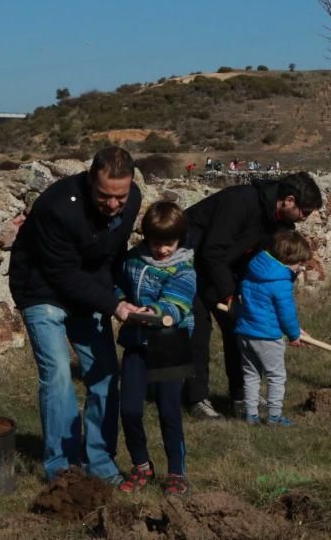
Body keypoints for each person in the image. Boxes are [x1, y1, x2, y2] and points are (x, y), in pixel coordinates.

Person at [9, 146, 142, 483]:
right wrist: (113, 305)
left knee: (104, 373)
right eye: (104, 195)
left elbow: (115, 253)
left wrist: (122, 294)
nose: (113, 205)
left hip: (90, 289)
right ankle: (63, 468)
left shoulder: (132, 201)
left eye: (120, 197)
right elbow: (63, 275)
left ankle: (99, 461)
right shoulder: (57, 207)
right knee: (57, 374)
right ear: (89, 181)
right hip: (41, 288)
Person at [183, 171, 322, 420]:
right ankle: (197, 399)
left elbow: (265, 264)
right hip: (191, 263)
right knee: (198, 331)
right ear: (289, 200)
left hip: (225, 267)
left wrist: (262, 307)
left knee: (240, 326)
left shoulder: (281, 225)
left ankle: (241, 395)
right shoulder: (240, 201)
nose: (305, 218)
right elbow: (212, 251)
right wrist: (228, 295)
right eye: (305, 211)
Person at [114, 202, 196, 497]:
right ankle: (141, 465)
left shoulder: (185, 268)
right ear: (146, 237)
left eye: (169, 243)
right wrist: (121, 301)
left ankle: (177, 470)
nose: (162, 250)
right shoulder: (133, 260)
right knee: (131, 409)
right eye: (156, 242)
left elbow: (177, 304)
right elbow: (117, 285)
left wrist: (155, 310)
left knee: (169, 410)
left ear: (180, 240)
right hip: (136, 341)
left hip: (169, 343)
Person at [235, 230, 311, 426]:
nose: (299, 268)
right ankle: (274, 416)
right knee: (276, 376)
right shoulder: (280, 283)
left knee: (251, 374)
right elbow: (287, 313)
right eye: (298, 264)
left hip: (245, 332)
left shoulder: (254, 270)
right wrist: (294, 335)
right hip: (268, 337)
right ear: (288, 259)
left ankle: (251, 415)